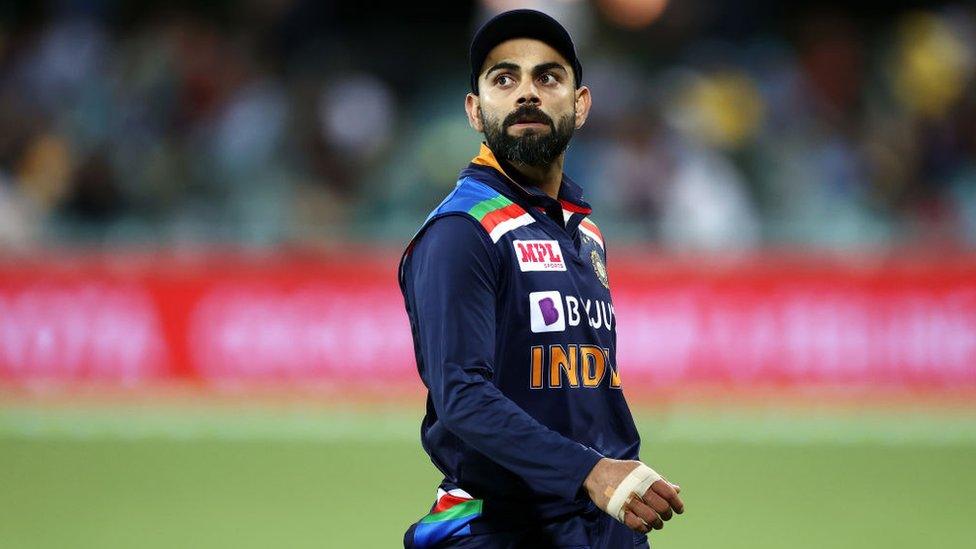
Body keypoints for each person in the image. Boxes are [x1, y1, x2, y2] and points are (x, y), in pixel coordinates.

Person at [397, 9, 684, 548]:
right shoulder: (462, 231)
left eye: (547, 77)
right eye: (503, 79)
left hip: (603, 523)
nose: (526, 92)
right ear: (475, 111)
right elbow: (461, 396)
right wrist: (590, 472)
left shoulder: (583, 228)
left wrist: (612, 475)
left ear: (580, 105)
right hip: (505, 528)